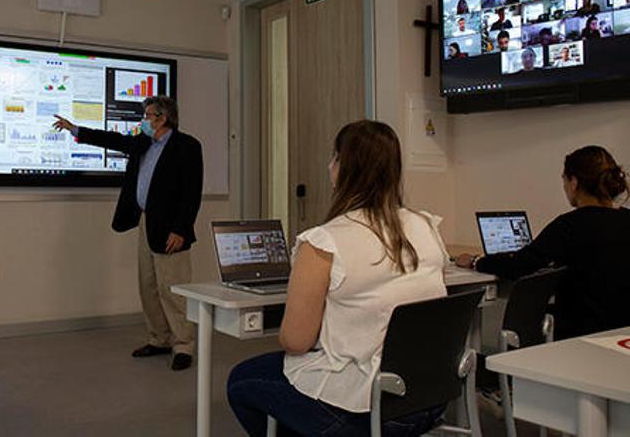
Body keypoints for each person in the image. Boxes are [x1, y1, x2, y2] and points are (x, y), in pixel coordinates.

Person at [226, 120, 448, 436]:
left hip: (367, 409)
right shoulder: (426, 225)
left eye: (334, 158)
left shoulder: (323, 242)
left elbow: (295, 341)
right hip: (429, 394)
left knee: (241, 380)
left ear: (343, 168)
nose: (329, 165)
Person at [52, 96, 203, 371]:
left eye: (147, 116)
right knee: (148, 286)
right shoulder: (144, 143)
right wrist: (75, 130)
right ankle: (159, 339)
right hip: (146, 223)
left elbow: (191, 194)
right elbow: (113, 140)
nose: (143, 121)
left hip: (171, 230)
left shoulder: (187, 146)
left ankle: (183, 345)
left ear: (162, 118)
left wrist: (181, 230)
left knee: (173, 290)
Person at [456, 146, 630, 340]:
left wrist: (476, 261)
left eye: (564, 180)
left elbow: (519, 265)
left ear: (574, 182)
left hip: (580, 338)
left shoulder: (570, 225)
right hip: (622, 337)